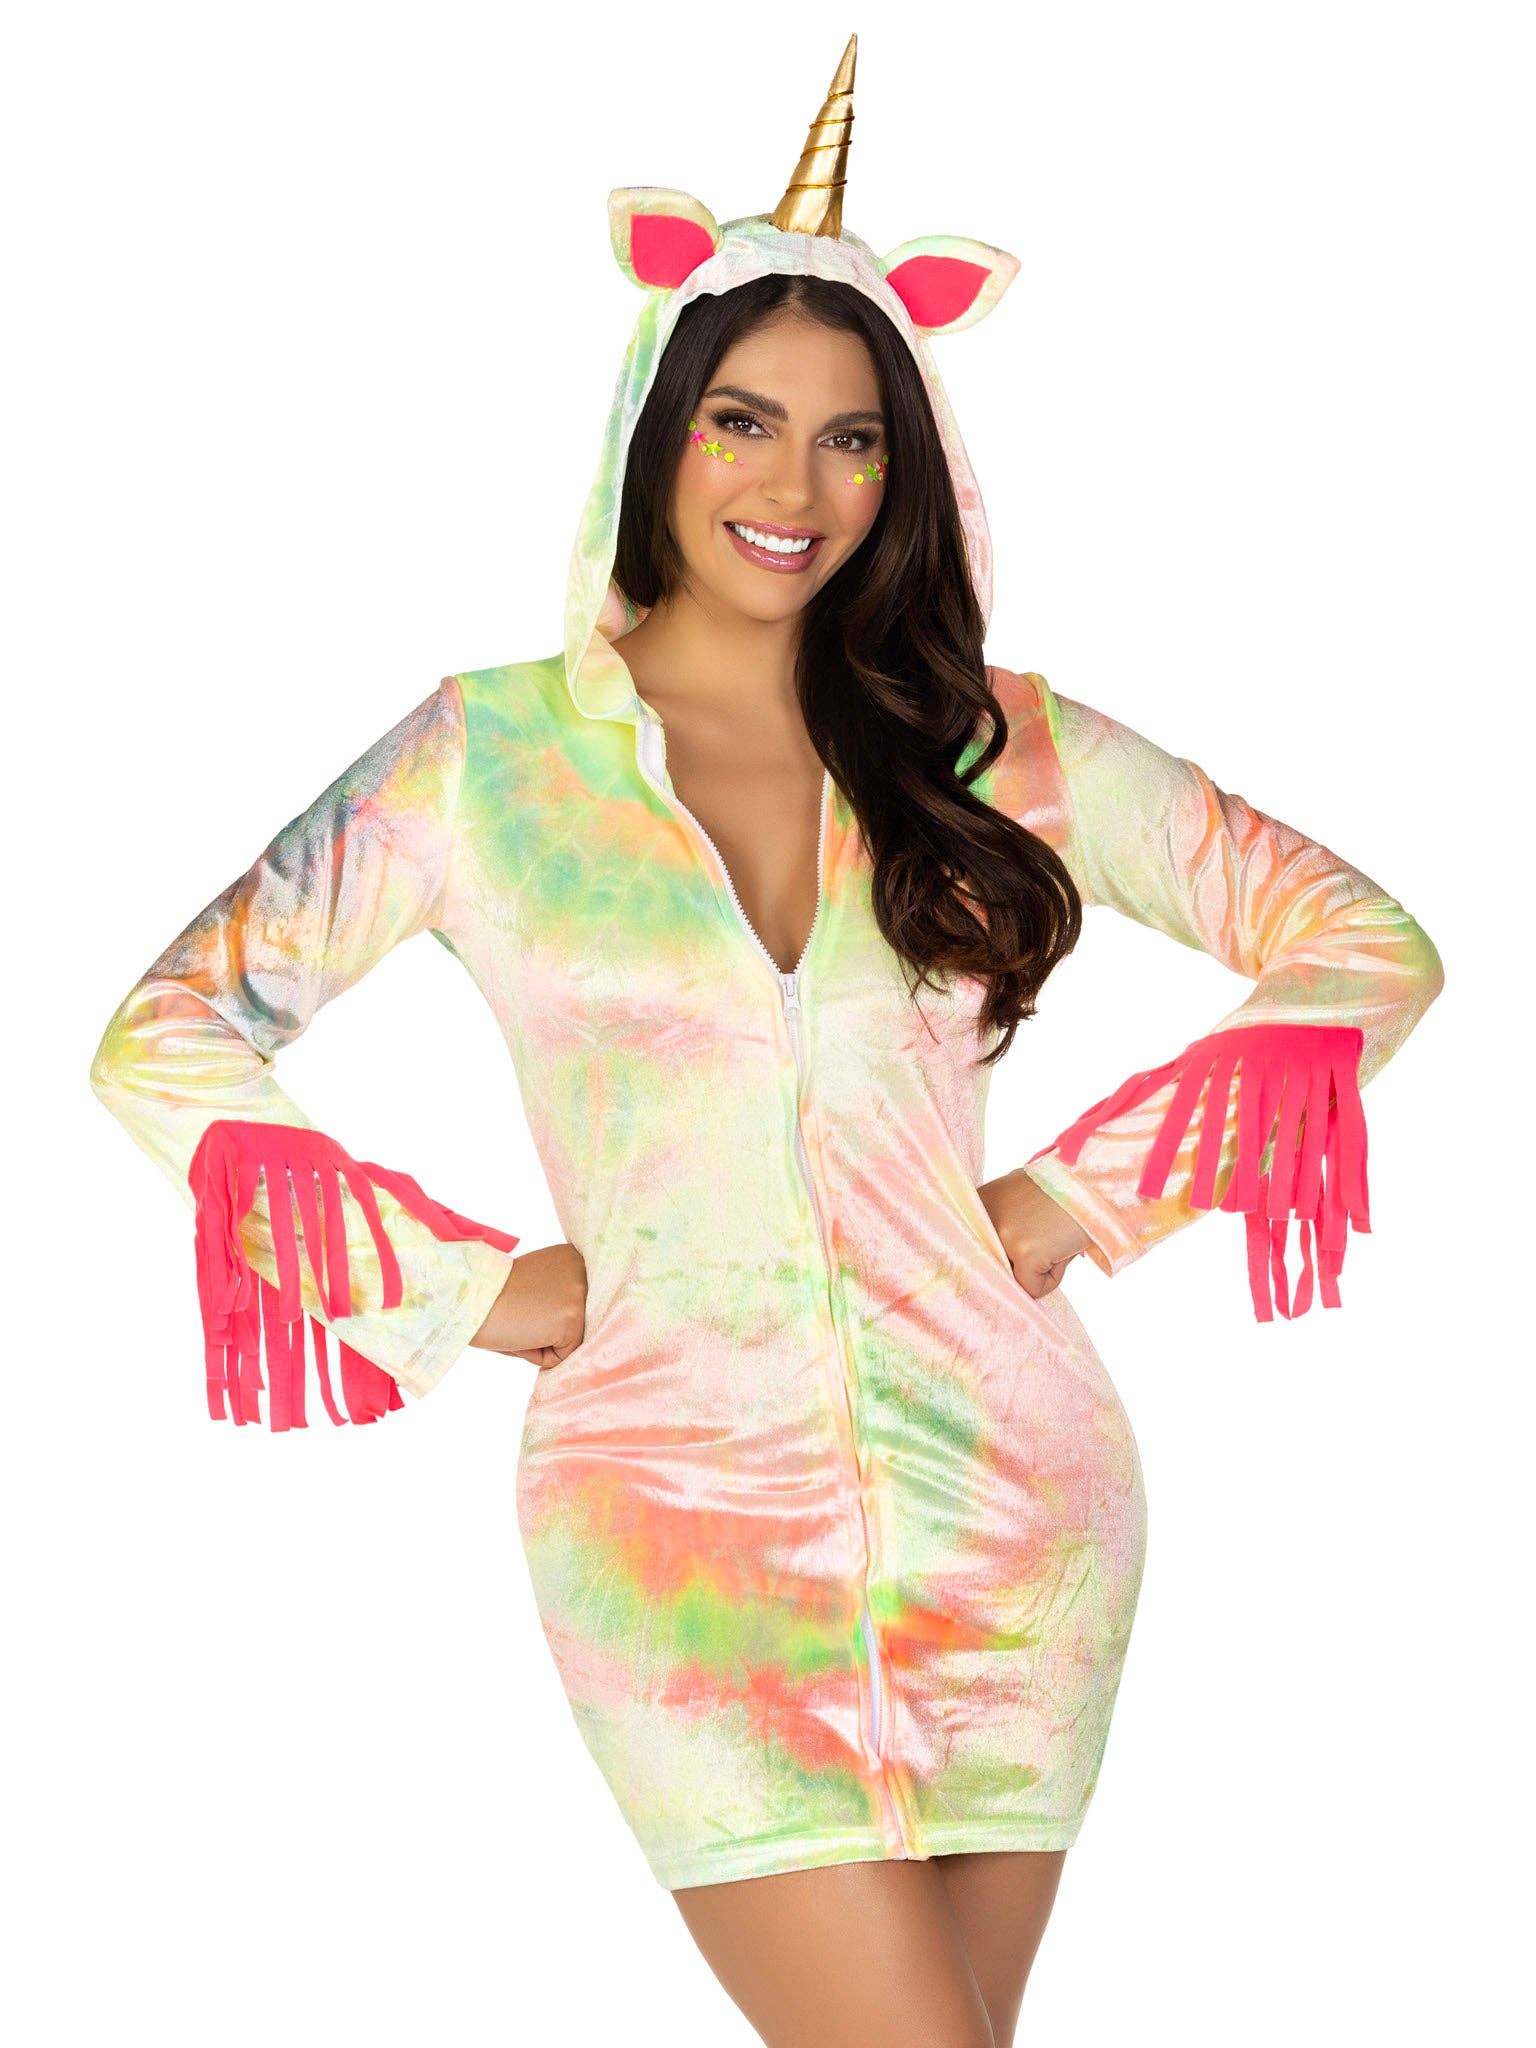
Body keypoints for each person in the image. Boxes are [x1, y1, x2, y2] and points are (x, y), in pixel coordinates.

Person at [88, 35, 1444, 2048]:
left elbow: (1364, 943)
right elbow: (167, 1033)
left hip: (1019, 1515)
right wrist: (457, 1290)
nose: (791, 487)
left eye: (850, 439)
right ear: (659, 424)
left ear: (909, 467)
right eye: (743, 420)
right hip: (675, 1529)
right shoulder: (489, 758)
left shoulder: (993, 742)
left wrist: (1078, 1202)